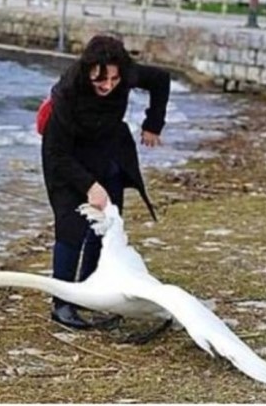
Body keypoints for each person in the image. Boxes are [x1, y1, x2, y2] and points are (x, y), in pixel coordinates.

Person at [41, 35, 170, 329]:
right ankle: (62, 303)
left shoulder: (125, 73)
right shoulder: (67, 93)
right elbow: (57, 153)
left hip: (108, 149)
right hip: (66, 157)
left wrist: (153, 123)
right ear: (88, 71)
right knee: (71, 227)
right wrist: (89, 186)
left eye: (114, 79)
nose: (108, 85)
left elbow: (161, 80)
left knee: (106, 226)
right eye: (100, 79)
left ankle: (92, 292)